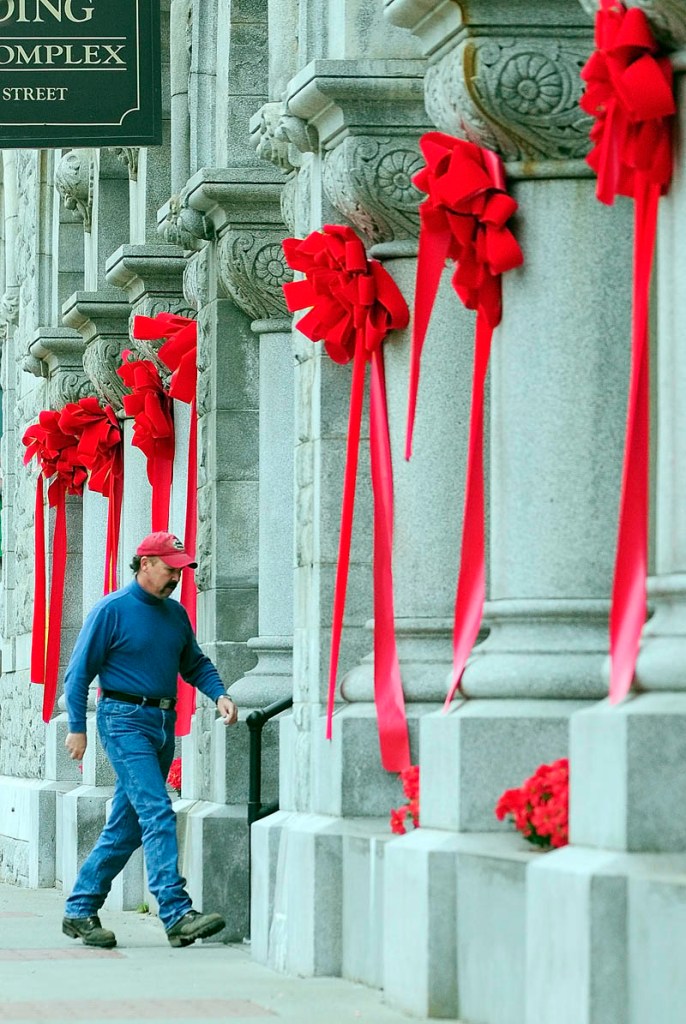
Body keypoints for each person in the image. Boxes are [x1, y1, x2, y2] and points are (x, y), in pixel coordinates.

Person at [62, 531, 238, 950]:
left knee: (127, 826)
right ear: (145, 564)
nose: (177, 576)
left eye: (181, 570)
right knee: (158, 810)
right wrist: (76, 727)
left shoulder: (175, 615)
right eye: (171, 568)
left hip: (161, 722)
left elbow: (195, 663)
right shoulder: (111, 610)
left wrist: (221, 693)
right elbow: (78, 673)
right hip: (122, 720)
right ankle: (176, 913)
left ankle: (79, 909)